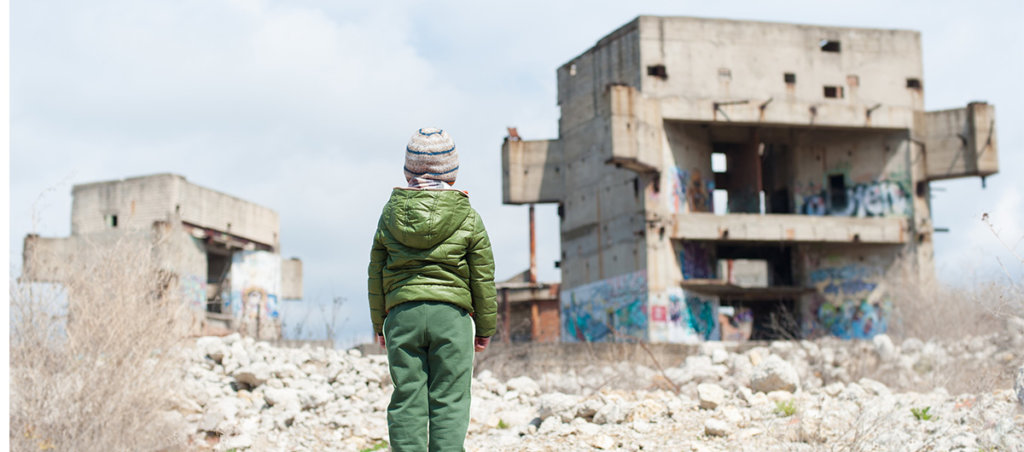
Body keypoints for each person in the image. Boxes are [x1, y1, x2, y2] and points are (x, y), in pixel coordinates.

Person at [367, 127, 496, 452]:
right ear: (451, 174)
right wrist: (484, 328)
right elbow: (482, 276)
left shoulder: (390, 214)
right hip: (451, 318)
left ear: (408, 171)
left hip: (402, 316)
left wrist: (377, 323)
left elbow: (376, 272)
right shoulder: (467, 215)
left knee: (407, 396)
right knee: (450, 398)